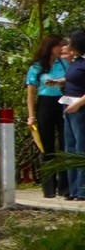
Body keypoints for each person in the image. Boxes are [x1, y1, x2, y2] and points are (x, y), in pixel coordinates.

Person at [30, 32, 68, 190]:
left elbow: (71, 80)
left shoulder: (64, 64)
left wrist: (59, 82)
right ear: (50, 47)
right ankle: (49, 186)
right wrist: (31, 115)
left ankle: (65, 186)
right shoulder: (37, 67)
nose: (61, 48)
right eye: (58, 45)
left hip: (62, 102)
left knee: (65, 143)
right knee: (46, 145)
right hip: (45, 103)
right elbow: (30, 93)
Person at [61, 34, 85, 202]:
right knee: (70, 148)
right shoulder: (76, 61)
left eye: (69, 43)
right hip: (68, 105)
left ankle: (82, 189)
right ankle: (73, 189)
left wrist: (79, 104)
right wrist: (57, 82)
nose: (67, 46)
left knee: (81, 148)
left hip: (80, 108)